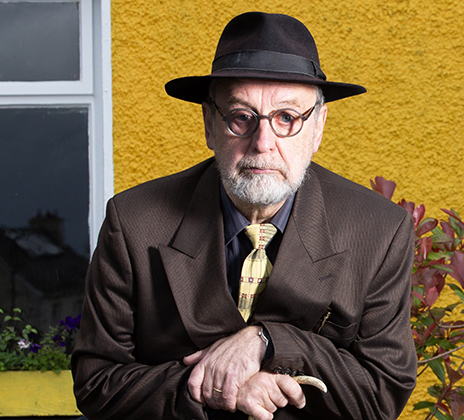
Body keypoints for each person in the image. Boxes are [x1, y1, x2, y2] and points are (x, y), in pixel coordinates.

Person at [71, 11, 417, 420]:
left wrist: (269, 341)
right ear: (209, 123)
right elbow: (96, 385)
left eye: (287, 118)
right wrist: (219, 388)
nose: (263, 143)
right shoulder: (133, 221)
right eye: (241, 118)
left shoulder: (379, 229)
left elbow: (381, 395)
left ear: (318, 127)